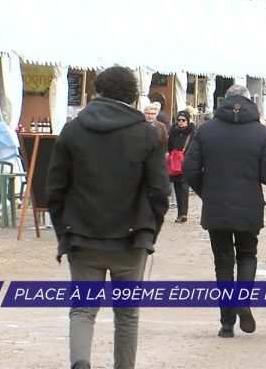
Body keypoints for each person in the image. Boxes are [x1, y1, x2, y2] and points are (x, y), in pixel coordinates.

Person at [47, 66, 170, 369]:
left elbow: (55, 188)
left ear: (98, 91)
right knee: (127, 314)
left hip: (82, 234)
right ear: (131, 96)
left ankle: (80, 363)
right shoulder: (147, 133)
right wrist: (149, 229)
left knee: (82, 310)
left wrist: (64, 230)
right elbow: (159, 191)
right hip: (131, 237)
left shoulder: (74, 129)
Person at [183, 84, 266, 338]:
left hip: (216, 205)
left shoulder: (205, 131)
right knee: (247, 254)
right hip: (249, 204)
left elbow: (190, 169)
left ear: (224, 101)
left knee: (223, 262)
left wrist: (208, 191)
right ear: (249, 102)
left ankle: (226, 322)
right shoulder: (260, 132)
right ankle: (243, 300)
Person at [168, 110, 196, 223]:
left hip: (186, 163)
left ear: (187, 121)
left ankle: (183, 213)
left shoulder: (192, 133)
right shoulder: (173, 131)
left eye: (183, 120)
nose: (181, 122)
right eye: (179, 120)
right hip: (175, 164)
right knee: (177, 188)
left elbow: (195, 148)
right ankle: (179, 213)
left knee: (184, 188)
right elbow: (169, 146)